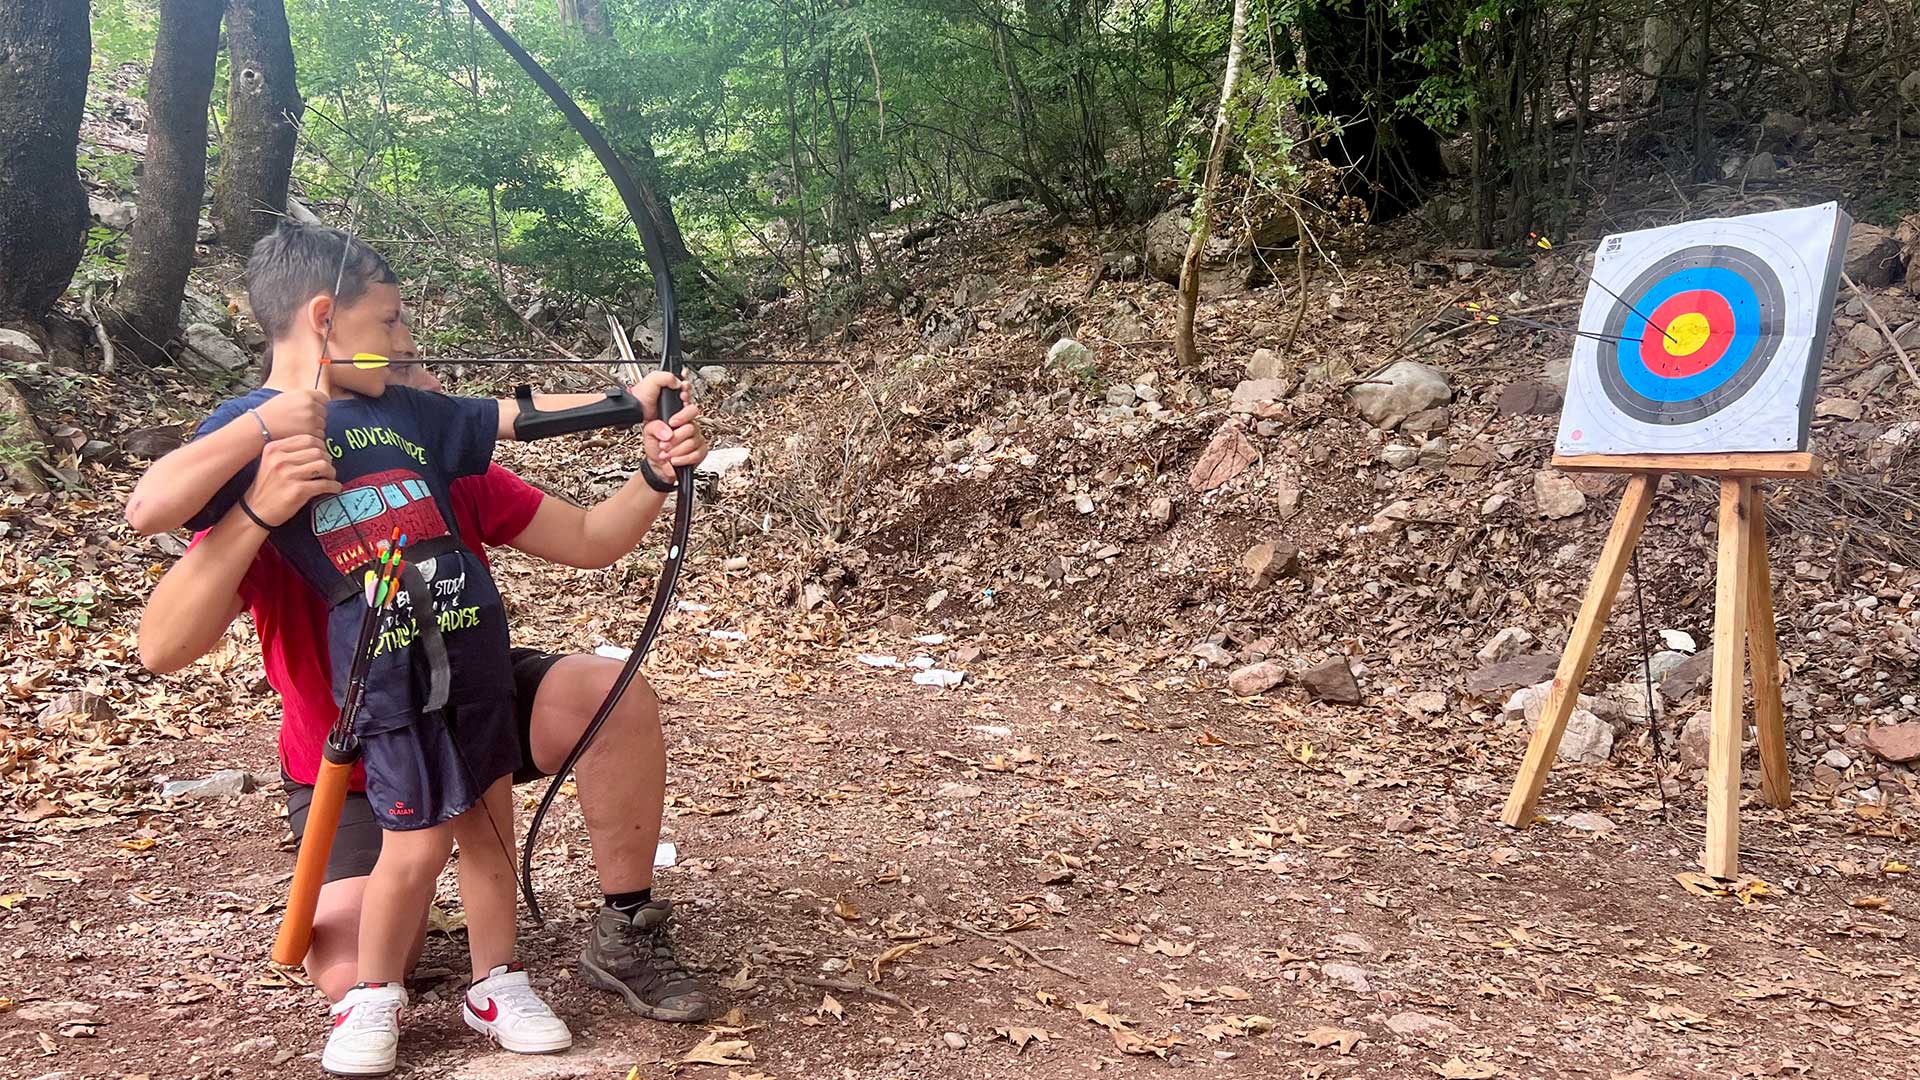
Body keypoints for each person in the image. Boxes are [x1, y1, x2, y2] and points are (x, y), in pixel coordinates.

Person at [129, 223, 711, 1076]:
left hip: (462, 679)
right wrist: (257, 506)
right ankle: (389, 965)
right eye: (393, 325)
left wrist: (650, 455)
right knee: (354, 966)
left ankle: (607, 934)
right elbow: (160, 643)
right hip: (352, 751)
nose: (409, 345)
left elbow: (586, 531)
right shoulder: (255, 450)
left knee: (597, 705)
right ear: (325, 319)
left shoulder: (424, 436)